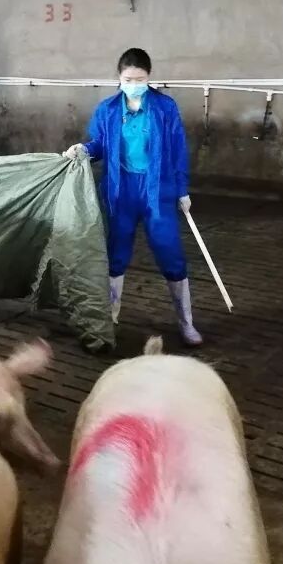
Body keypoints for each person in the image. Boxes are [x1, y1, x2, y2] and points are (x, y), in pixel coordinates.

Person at [64, 47, 202, 346]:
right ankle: (109, 319)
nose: (134, 84)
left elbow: (178, 150)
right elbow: (100, 144)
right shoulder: (108, 109)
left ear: (149, 77)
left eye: (140, 79)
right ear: (119, 78)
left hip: (157, 189)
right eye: (128, 79)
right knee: (116, 254)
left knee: (170, 252)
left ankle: (186, 324)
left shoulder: (165, 107)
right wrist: (84, 149)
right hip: (121, 190)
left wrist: (182, 189)